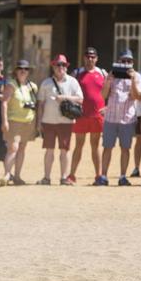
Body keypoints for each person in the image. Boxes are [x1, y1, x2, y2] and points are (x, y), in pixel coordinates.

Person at [35, 54, 83, 185]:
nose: (60, 67)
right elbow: (40, 104)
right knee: (49, 150)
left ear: (66, 67)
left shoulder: (73, 82)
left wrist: (65, 97)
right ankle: (46, 178)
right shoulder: (46, 83)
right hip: (48, 121)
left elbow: (80, 99)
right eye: (57, 65)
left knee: (64, 150)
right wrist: (39, 122)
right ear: (53, 67)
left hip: (66, 121)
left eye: (63, 65)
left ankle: (63, 177)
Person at [96, 50, 141, 186]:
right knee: (107, 147)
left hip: (127, 119)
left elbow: (136, 96)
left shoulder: (137, 76)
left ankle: (122, 176)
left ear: (133, 63)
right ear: (119, 62)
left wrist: (132, 80)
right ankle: (104, 176)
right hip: (110, 118)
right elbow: (103, 95)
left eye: (129, 61)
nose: (126, 64)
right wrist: (108, 81)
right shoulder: (112, 75)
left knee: (125, 148)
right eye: (123, 61)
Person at [68, 47, 106, 184]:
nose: (90, 59)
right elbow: (68, 88)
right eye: (88, 56)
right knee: (79, 144)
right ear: (84, 58)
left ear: (96, 58)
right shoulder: (77, 73)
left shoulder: (102, 73)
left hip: (97, 115)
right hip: (81, 115)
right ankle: (71, 175)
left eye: (92, 56)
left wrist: (107, 107)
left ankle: (98, 175)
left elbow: (111, 91)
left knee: (95, 145)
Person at [0, 60, 37, 186]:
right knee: (13, 148)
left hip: (28, 121)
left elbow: (35, 104)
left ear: (28, 72)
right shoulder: (11, 85)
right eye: (20, 68)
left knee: (22, 148)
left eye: (25, 69)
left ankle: (17, 176)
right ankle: (6, 175)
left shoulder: (32, 86)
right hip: (14, 121)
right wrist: (4, 121)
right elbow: (4, 103)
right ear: (16, 71)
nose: (23, 71)